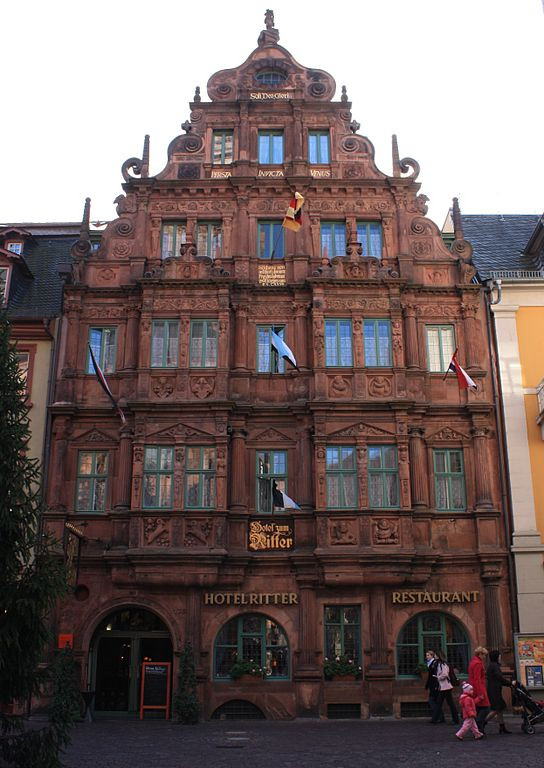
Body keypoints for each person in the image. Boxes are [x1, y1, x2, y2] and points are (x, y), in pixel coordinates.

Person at [484, 650, 516, 734]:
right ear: (497, 657)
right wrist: (510, 683)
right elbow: (500, 678)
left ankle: (502, 726)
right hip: (494, 690)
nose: (500, 657)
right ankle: (481, 723)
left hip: (494, 689)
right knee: (496, 709)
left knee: (500, 708)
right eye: (499, 656)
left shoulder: (492, 665)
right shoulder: (494, 666)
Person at [468, 646, 490, 733]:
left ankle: (478, 729)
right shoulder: (478, 663)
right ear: (480, 654)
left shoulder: (473, 661)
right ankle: (476, 726)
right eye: (484, 655)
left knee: (478, 708)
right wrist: (480, 693)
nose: (484, 657)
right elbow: (477, 679)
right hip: (479, 688)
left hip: (474, 687)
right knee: (486, 708)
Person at [434, 649, 460, 724]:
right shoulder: (439, 664)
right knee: (441, 703)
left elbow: (445, 674)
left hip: (445, 686)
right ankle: (436, 718)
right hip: (443, 686)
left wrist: (438, 677)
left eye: (436, 655)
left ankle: (455, 719)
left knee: (448, 703)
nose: (435, 656)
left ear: (439, 656)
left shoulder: (443, 664)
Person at [424, 650, 443, 723]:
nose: (427, 657)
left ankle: (437, 716)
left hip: (435, 685)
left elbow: (433, 676)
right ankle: (440, 717)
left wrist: (430, 684)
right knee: (436, 701)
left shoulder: (434, 663)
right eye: (426, 655)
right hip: (433, 685)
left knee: (432, 701)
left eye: (428, 655)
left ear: (432, 656)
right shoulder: (430, 663)